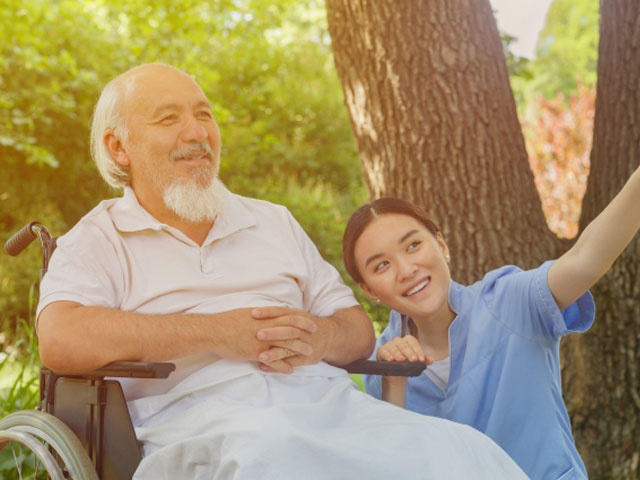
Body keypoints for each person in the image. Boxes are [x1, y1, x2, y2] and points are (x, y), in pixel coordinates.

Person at [35, 63, 528, 479]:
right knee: (278, 452)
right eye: (169, 119)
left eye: (204, 115)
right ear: (120, 148)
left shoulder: (271, 221)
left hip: (331, 411)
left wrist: (317, 338)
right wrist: (214, 333)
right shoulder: (99, 237)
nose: (197, 132)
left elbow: (355, 330)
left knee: (468, 454)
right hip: (208, 430)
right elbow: (60, 337)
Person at [342, 167, 640, 480]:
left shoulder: (509, 302)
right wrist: (394, 384)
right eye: (382, 265)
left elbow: (584, 260)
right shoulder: (380, 371)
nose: (406, 269)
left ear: (441, 245)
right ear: (369, 290)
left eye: (413, 245)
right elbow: (398, 469)